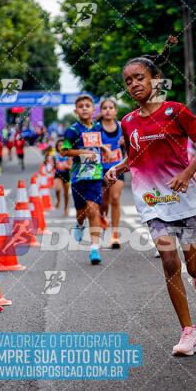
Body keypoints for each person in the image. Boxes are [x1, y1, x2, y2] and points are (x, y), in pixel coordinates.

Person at [104, 36, 196, 357]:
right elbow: (136, 156)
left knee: (195, 269)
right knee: (169, 262)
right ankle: (188, 332)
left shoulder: (176, 111)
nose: (134, 84)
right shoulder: (128, 122)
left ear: (155, 80)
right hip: (151, 201)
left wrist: (188, 172)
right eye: (128, 81)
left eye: (140, 77)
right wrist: (117, 167)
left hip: (186, 198)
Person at [61, 94, 113, 265]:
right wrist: (84, 153)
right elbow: (65, 151)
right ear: (76, 111)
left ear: (93, 110)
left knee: (92, 210)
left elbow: (98, 143)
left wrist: (104, 148)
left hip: (95, 176)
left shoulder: (98, 127)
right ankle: (79, 224)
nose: (84, 108)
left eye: (87, 105)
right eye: (81, 106)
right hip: (77, 177)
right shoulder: (73, 131)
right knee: (81, 213)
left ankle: (94, 249)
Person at [99, 98, 125, 248]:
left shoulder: (122, 126)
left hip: (117, 168)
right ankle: (102, 215)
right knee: (104, 202)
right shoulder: (96, 127)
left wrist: (125, 143)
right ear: (101, 111)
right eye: (104, 108)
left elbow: (132, 143)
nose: (108, 110)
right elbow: (90, 142)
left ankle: (114, 235)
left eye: (111, 107)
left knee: (115, 198)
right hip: (100, 169)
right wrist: (104, 147)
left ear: (115, 110)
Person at [53, 139, 72, 216]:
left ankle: (65, 208)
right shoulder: (55, 155)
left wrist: (66, 165)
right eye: (59, 145)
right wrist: (50, 169)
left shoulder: (69, 155)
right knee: (57, 189)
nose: (60, 147)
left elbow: (71, 166)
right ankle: (58, 200)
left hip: (66, 175)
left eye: (62, 145)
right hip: (58, 174)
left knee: (66, 194)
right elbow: (53, 166)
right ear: (57, 147)